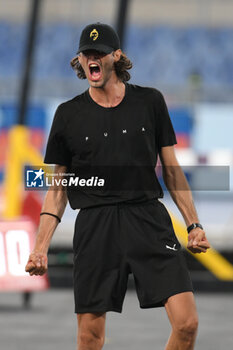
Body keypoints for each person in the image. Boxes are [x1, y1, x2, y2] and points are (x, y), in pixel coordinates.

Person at [25, 22, 210, 350]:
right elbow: (57, 188)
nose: (91, 58)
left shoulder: (150, 102)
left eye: (99, 53)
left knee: (187, 324)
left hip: (148, 220)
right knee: (90, 337)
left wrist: (193, 224)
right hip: (96, 226)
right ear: (80, 61)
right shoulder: (68, 114)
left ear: (117, 56)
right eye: (86, 54)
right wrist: (40, 247)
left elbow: (173, 172)